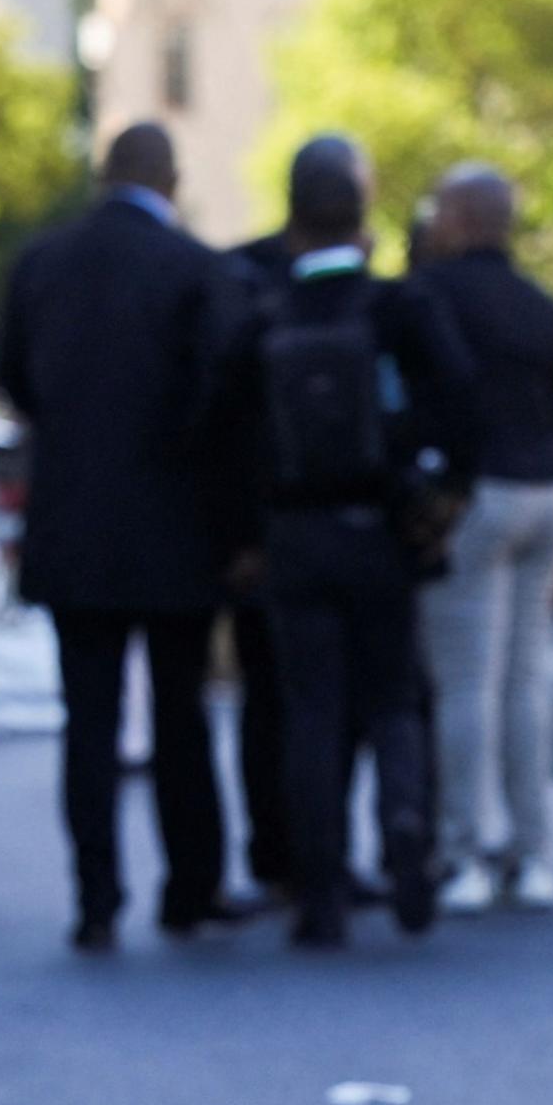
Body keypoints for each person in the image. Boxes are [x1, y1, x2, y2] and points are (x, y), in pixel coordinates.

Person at [214, 137, 478, 946]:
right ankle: (407, 834)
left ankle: (318, 889)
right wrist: (441, 496)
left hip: (293, 536)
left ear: (292, 225)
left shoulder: (262, 313)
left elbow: (222, 427)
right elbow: (463, 401)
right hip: (380, 529)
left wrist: (243, 532)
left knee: (311, 712)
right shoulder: (395, 307)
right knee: (395, 698)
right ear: (361, 223)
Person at [0, 122, 246, 951]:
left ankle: (96, 899)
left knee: (89, 723)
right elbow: (219, 395)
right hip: (175, 528)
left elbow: (16, 380)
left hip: (73, 526)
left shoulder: (42, 264)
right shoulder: (196, 269)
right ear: (170, 180)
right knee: (182, 717)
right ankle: (190, 888)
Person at [412, 161, 553, 914]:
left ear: (457, 218)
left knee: (465, 686)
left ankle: (466, 853)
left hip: (481, 494)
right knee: (526, 684)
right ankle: (535, 853)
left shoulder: (434, 296)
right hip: (551, 492)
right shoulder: (540, 305)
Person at [223, 222, 300, 902]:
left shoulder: (240, 301)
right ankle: (312, 860)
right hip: (323, 531)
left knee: (269, 703)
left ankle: (278, 856)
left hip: (263, 535)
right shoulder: (359, 302)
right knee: (318, 703)